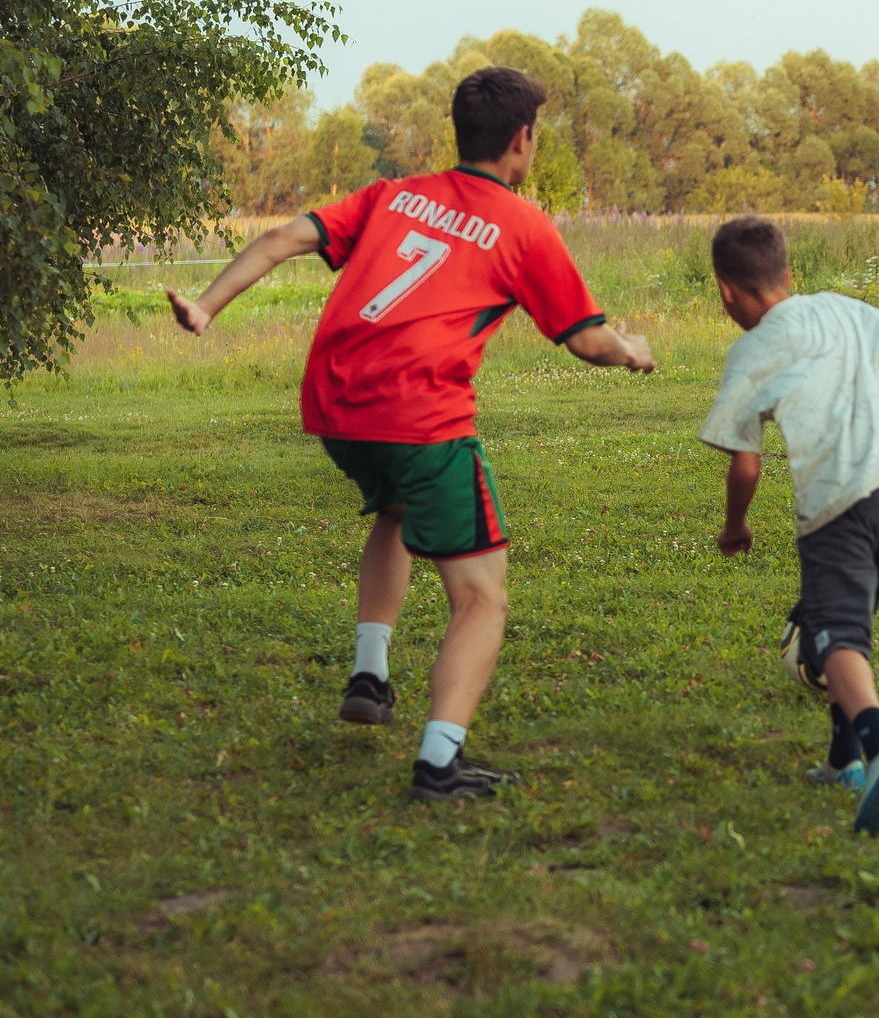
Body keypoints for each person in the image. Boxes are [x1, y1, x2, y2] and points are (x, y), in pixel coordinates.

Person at [164, 66, 655, 799]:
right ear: (522, 142)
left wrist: (206, 307)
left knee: (393, 513)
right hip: (418, 416)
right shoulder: (524, 225)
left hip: (335, 406)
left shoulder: (397, 195)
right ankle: (438, 765)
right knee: (482, 596)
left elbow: (276, 239)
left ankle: (370, 674)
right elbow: (586, 340)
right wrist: (633, 351)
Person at [700, 214, 879, 833]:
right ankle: (841, 760)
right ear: (790, 276)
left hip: (839, 500)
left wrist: (734, 527)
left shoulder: (749, 353)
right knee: (845, 618)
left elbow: (746, 467)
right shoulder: (839, 307)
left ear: (724, 291)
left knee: (834, 634)